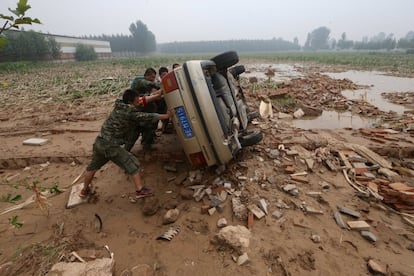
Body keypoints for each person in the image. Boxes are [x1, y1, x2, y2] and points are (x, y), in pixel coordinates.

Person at [80, 89, 174, 199]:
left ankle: (84, 191)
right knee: (133, 164)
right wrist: (166, 116)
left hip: (100, 141)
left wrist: (156, 95)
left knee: (92, 167)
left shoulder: (120, 105)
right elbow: (147, 117)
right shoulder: (130, 112)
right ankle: (140, 190)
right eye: (137, 100)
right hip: (111, 145)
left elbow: (143, 100)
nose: (139, 101)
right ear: (130, 102)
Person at [128, 68, 167, 150]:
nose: (153, 79)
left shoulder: (145, 83)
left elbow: (150, 94)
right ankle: (146, 144)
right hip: (139, 108)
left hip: (144, 105)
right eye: (152, 77)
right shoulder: (140, 81)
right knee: (145, 125)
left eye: (154, 77)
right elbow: (150, 85)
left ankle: (149, 140)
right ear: (146, 75)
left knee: (150, 124)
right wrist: (163, 86)